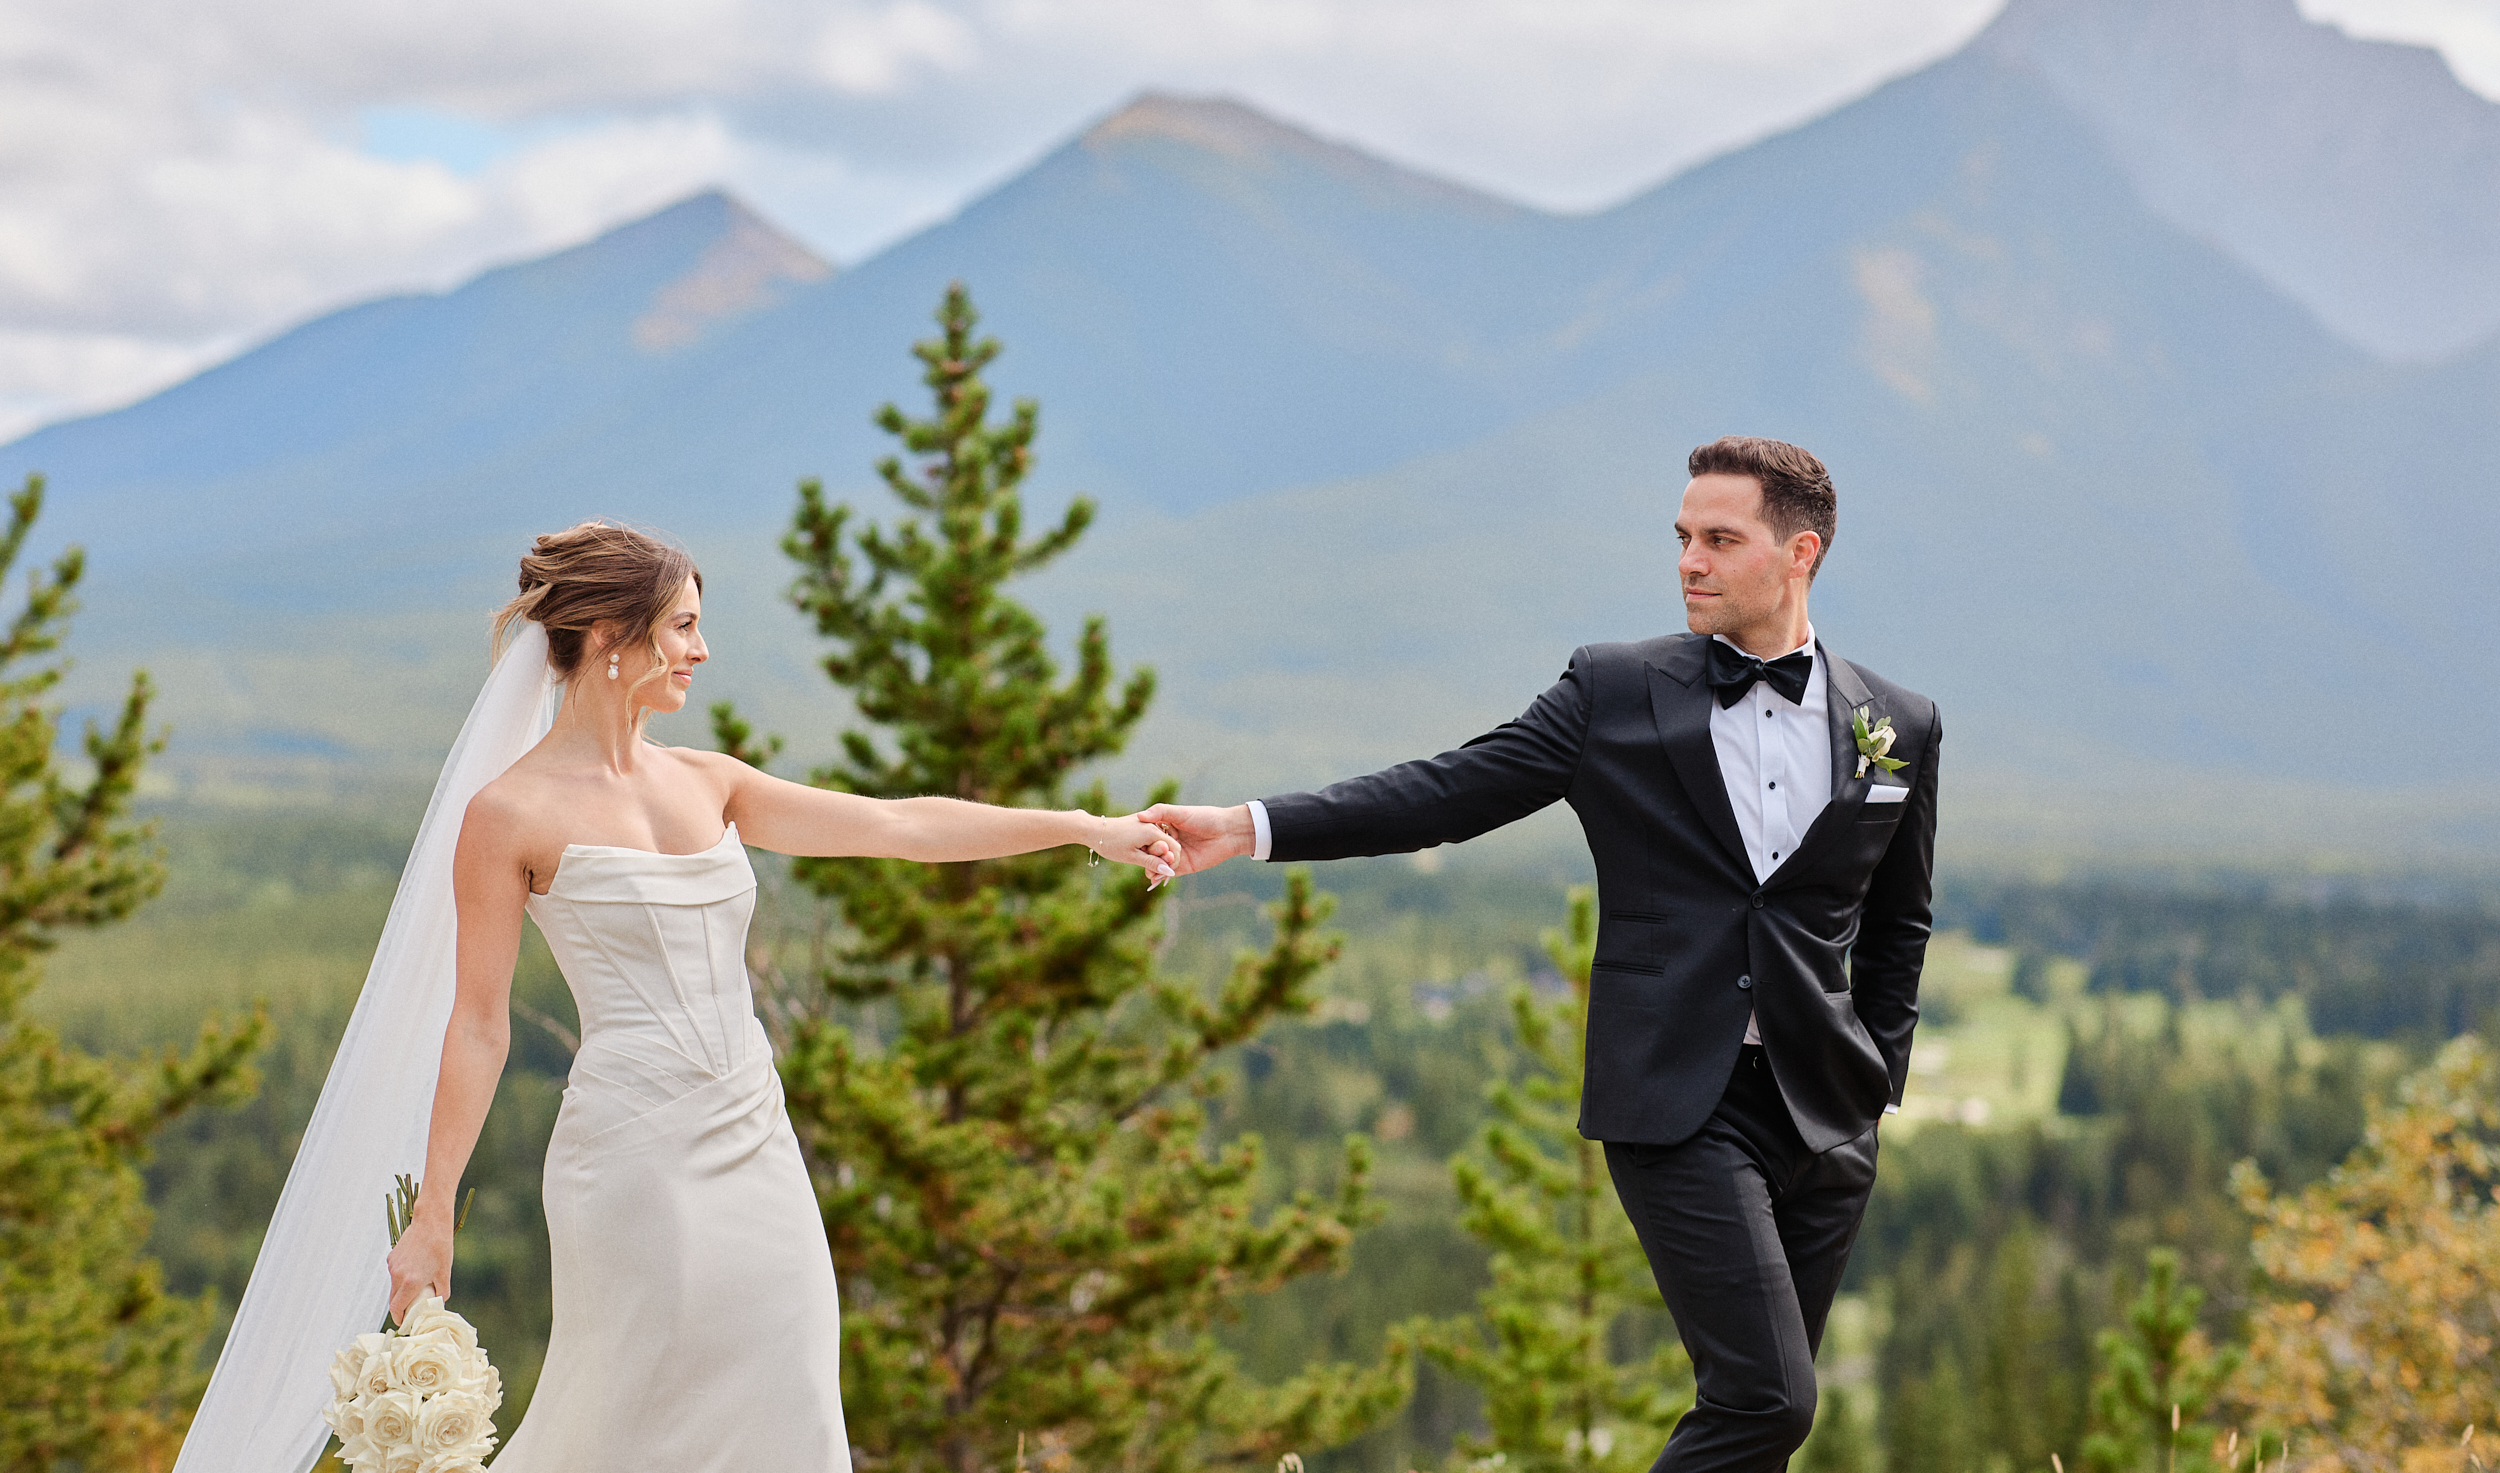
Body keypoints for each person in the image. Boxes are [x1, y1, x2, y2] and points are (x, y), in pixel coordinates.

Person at [174, 522, 1179, 1473]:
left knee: (788, 1391)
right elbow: (477, 1024)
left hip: (755, 1138)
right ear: (611, 637)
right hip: (631, 1156)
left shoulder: (709, 780)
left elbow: (900, 824)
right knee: (626, 1411)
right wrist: (432, 1209)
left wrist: (1084, 826)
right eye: (685, 625)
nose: (703, 648)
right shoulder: (506, 814)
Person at [1145, 436, 1939, 1473]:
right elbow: (1446, 791)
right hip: (1677, 1103)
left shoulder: (1897, 722)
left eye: (1718, 537)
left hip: (1824, 1117)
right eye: (1682, 537)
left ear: (1802, 551)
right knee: (1770, 1398)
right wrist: (1247, 824)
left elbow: (1899, 922)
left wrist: (1874, 1081)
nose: (1689, 559)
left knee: (1751, 1429)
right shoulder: (1615, 688)